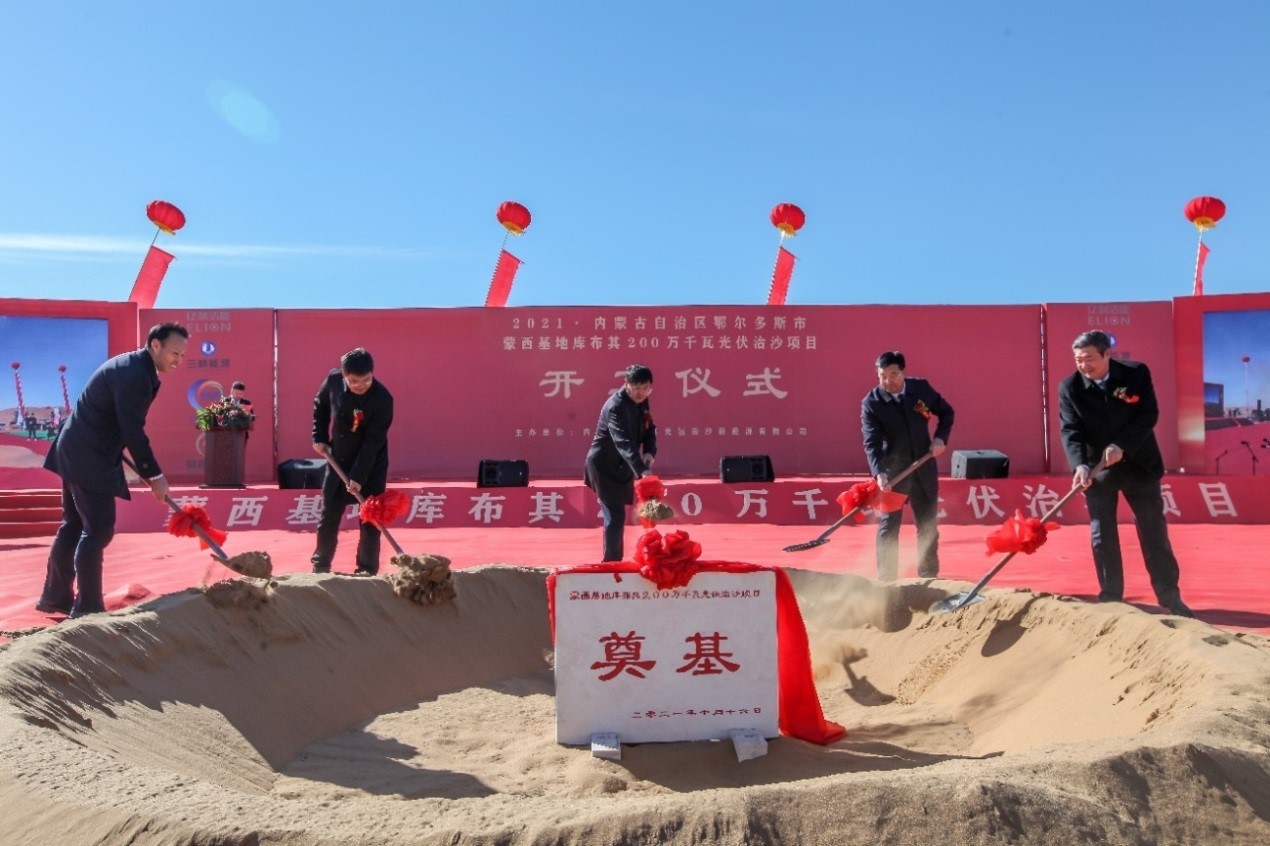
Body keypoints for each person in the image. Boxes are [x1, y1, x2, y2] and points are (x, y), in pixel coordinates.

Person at [36, 323, 188, 617]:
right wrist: (155, 476)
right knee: (98, 530)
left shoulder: (132, 365)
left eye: (182, 355)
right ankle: (87, 607)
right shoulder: (135, 375)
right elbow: (133, 431)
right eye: (174, 353)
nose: (178, 360)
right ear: (155, 345)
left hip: (75, 447)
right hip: (88, 455)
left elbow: (117, 422)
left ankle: (55, 596)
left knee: (74, 524)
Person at [1058, 330, 1193, 618]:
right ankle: (1111, 598)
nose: (1083, 365)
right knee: (1102, 534)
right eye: (1078, 359)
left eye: (1089, 358)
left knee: (1153, 530)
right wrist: (1079, 465)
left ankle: (1169, 596)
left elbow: (1147, 415)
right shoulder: (1069, 387)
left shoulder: (1135, 374)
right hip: (1098, 470)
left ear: (1107, 354)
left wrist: (1122, 445)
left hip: (1138, 464)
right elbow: (1071, 430)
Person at [861, 350, 954, 581]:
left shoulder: (920, 389)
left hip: (923, 468)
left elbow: (946, 412)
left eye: (893, 375)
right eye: (882, 376)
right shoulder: (872, 403)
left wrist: (940, 438)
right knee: (889, 526)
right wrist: (879, 473)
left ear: (903, 372)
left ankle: (928, 577)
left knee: (927, 526)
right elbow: (872, 443)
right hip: (894, 474)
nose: (887, 381)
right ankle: (887, 581)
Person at [311, 348, 393, 575]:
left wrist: (358, 476)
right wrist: (319, 437)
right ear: (344, 375)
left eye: (366, 380)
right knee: (329, 514)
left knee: (370, 520)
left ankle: (366, 569)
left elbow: (373, 443)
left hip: (371, 465)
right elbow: (320, 405)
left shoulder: (383, 399)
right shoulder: (333, 380)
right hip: (338, 459)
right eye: (354, 381)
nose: (360, 385)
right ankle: (321, 565)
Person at [584, 364, 657, 562]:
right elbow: (623, 442)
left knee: (617, 515)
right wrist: (642, 470)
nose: (641, 393)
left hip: (623, 466)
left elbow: (649, 428)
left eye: (645, 388)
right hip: (604, 467)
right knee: (615, 515)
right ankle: (611, 564)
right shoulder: (615, 407)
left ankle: (614, 561)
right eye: (636, 388)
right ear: (626, 384)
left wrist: (649, 452)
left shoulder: (642, 401)